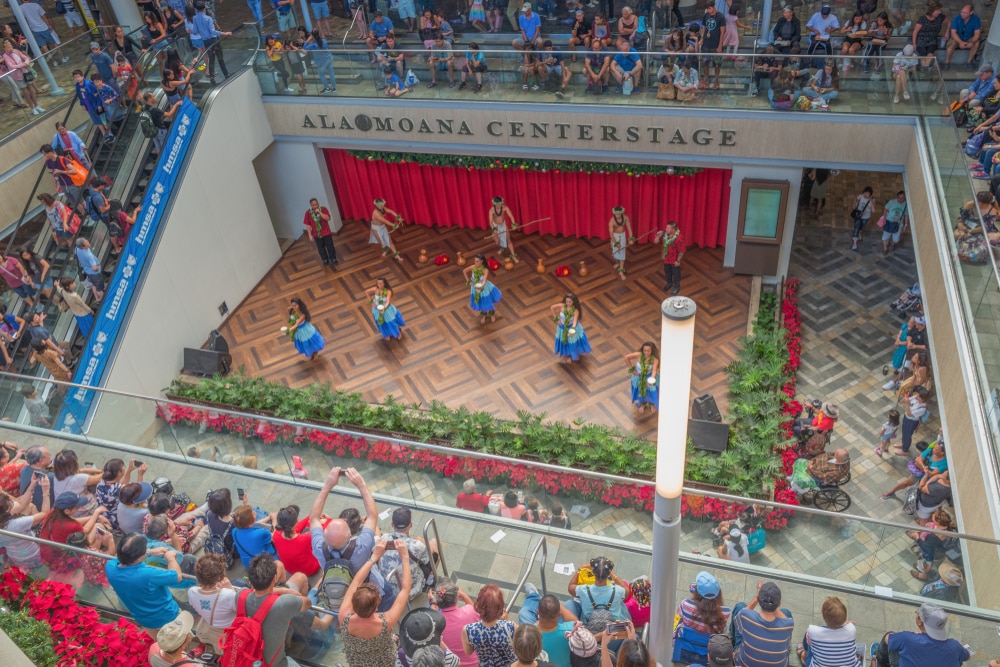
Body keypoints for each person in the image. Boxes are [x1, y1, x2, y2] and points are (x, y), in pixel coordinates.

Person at [310, 466, 399, 613]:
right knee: (387, 598)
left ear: (324, 536)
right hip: (370, 587)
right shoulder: (361, 547)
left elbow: (314, 518)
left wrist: (327, 486)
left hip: (342, 593)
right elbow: (372, 516)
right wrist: (361, 484)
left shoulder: (319, 548)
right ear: (351, 536)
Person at [341, 537, 412, 667]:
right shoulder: (385, 622)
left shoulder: (343, 616)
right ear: (376, 607)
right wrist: (405, 557)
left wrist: (373, 558)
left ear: (353, 602)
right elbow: (405, 589)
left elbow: (356, 581)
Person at [243, 553, 313, 667]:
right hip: (277, 663)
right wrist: (285, 591)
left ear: (250, 581)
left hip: (247, 657)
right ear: (274, 579)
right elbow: (307, 603)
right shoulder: (283, 604)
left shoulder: (240, 596)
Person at [874, 603, 970, 667]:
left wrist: (913, 635)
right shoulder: (955, 646)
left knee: (890, 636)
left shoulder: (908, 639)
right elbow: (967, 656)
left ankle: (879, 663)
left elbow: (888, 639)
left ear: (920, 621)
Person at [730, 581, 794, 666]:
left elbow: (739, 616)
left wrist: (757, 597)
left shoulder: (745, 616)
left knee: (739, 607)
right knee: (786, 612)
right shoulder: (789, 624)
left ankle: (732, 639)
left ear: (759, 601)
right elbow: (786, 619)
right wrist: (773, 604)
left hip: (744, 664)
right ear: (779, 603)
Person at [0, 473, 49, 569]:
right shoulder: (15, 524)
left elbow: (21, 504)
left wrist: (32, 484)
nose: (12, 502)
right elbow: (44, 514)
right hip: (33, 555)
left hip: (15, 555)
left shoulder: (4, 517)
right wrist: (46, 492)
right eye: (10, 503)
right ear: (7, 510)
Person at [676, 571, 730, 658]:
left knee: (682, 619)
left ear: (697, 592)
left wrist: (694, 595)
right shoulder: (726, 612)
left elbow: (680, 613)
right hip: (707, 650)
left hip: (685, 646)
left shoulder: (686, 604)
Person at [462, 584, 517, 667]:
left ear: (478, 605)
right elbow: (520, 647)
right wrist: (507, 620)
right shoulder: (512, 627)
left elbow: (468, 652)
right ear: (501, 607)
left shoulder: (468, 630)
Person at [568, 557, 631, 628]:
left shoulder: (584, 590)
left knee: (571, 602)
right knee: (621, 602)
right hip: (612, 628)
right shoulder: (618, 590)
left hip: (589, 626)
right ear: (609, 572)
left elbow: (571, 587)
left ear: (593, 572)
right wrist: (613, 575)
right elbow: (627, 592)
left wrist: (580, 569)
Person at [796, 597, 858, 667]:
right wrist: (847, 624)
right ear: (845, 617)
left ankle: (804, 654)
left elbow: (809, 641)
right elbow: (849, 626)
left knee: (809, 641)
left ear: (822, 615)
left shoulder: (813, 631)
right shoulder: (851, 629)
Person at [433, 580, 482, 667]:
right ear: (456, 598)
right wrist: (464, 595)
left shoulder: (435, 623)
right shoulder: (469, 612)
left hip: (452, 664)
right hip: (477, 662)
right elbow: (475, 610)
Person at [272, 504, 322, 577]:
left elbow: (295, 529)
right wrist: (327, 521)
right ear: (296, 521)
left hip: (290, 569)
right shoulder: (305, 539)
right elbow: (319, 532)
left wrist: (309, 517)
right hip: (310, 570)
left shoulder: (276, 535)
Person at [551, 294, 592, 363]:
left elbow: (575, 321)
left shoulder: (575, 311)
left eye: (570, 302)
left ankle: (573, 354)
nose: (568, 303)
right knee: (564, 341)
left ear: (573, 302)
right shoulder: (562, 306)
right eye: (567, 301)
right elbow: (552, 307)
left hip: (571, 328)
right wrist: (556, 319)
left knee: (572, 342)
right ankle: (568, 354)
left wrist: (572, 330)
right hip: (562, 328)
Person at [464, 254, 503, 324]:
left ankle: (492, 314)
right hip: (475, 287)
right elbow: (464, 271)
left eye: (477, 261)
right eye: (475, 261)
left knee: (487, 301)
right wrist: (468, 281)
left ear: (482, 261)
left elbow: (484, 280)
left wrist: (480, 286)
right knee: (480, 302)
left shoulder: (485, 270)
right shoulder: (473, 267)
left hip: (483, 288)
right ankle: (484, 316)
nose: (476, 263)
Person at [624, 343, 659, 413]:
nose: (646, 352)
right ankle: (642, 404)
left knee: (651, 391)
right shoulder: (639, 355)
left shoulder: (655, 360)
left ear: (652, 351)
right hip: (638, 377)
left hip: (649, 376)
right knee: (640, 390)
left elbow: (654, 371)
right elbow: (626, 357)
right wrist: (632, 370)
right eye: (644, 350)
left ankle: (652, 404)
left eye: (648, 351)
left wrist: (651, 380)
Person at [654, 221, 686, 295]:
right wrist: (658, 236)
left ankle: (676, 287)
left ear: (673, 229)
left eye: (668, 228)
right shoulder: (665, 234)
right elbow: (655, 242)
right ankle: (669, 283)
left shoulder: (679, 238)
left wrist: (678, 261)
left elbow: (682, 251)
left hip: (674, 260)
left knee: (676, 274)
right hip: (666, 259)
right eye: (666, 227)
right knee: (667, 272)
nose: (666, 229)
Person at [304, 198, 338, 266]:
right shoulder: (308, 213)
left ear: (318, 203)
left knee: (330, 246)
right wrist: (310, 235)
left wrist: (319, 212)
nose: (315, 206)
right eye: (313, 205)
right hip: (317, 234)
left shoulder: (323, 209)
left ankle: (333, 258)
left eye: (316, 204)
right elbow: (308, 224)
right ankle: (325, 259)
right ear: (311, 205)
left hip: (326, 232)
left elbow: (328, 218)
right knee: (320, 247)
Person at [944, 5, 980, 70]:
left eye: (965, 13)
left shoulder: (976, 19)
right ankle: (947, 62)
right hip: (957, 37)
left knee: (976, 43)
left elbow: (977, 33)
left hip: (969, 37)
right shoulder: (956, 18)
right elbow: (953, 32)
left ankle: (969, 62)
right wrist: (960, 42)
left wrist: (972, 42)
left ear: (971, 12)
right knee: (951, 45)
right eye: (962, 12)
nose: (962, 14)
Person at [911, 1, 946, 69]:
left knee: (930, 52)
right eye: (938, 10)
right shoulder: (922, 19)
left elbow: (949, 21)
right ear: (933, 10)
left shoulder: (940, 17)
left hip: (932, 40)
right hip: (922, 40)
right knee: (923, 54)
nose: (940, 12)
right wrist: (914, 43)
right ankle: (924, 68)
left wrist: (947, 32)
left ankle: (925, 68)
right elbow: (915, 32)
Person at [700, 4, 726, 89]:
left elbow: (722, 32)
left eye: (709, 8)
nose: (708, 10)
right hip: (706, 45)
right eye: (707, 9)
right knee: (705, 63)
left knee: (717, 64)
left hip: (716, 45)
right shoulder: (706, 15)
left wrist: (720, 46)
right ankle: (707, 78)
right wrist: (702, 39)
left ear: (714, 7)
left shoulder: (721, 17)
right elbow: (704, 28)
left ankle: (716, 80)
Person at [608, 206, 634, 279]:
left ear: (622, 213)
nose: (618, 216)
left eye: (619, 214)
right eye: (616, 214)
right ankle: (617, 263)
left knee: (622, 253)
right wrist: (616, 243)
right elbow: (611, 234)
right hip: (614, 237)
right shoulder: (612, 221)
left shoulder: (625, 218)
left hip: (622, 236)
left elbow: (629, 229)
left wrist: (631, 238)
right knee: (615, 252)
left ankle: (621, 271)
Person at [881, 190, 909, 255]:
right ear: (897, 197)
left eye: (902, 198)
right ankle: (885, 248)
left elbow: (906, 215)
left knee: (896, 239)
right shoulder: (891, 202)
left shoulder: (905, 205)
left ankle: (893, 243)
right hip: (889, 222)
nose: (900, 199)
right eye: (899, 197)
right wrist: (884, 218)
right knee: (884, 237)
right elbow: (886, 209)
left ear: (904, 198)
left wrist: (905, 225)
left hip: (898, 224)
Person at [850, 186, 875, 250]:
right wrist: (854, 204)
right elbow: (856, 198)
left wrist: (871, 201)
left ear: (870, 194)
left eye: (868, 193)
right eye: (865, 192)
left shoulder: (872, 200)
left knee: (861, 227)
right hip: (858, 215)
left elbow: (873, 210)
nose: (866, 194)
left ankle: (859, 233)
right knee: (856, 228)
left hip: (865, 217)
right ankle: (855, 244)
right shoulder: (860, 196)